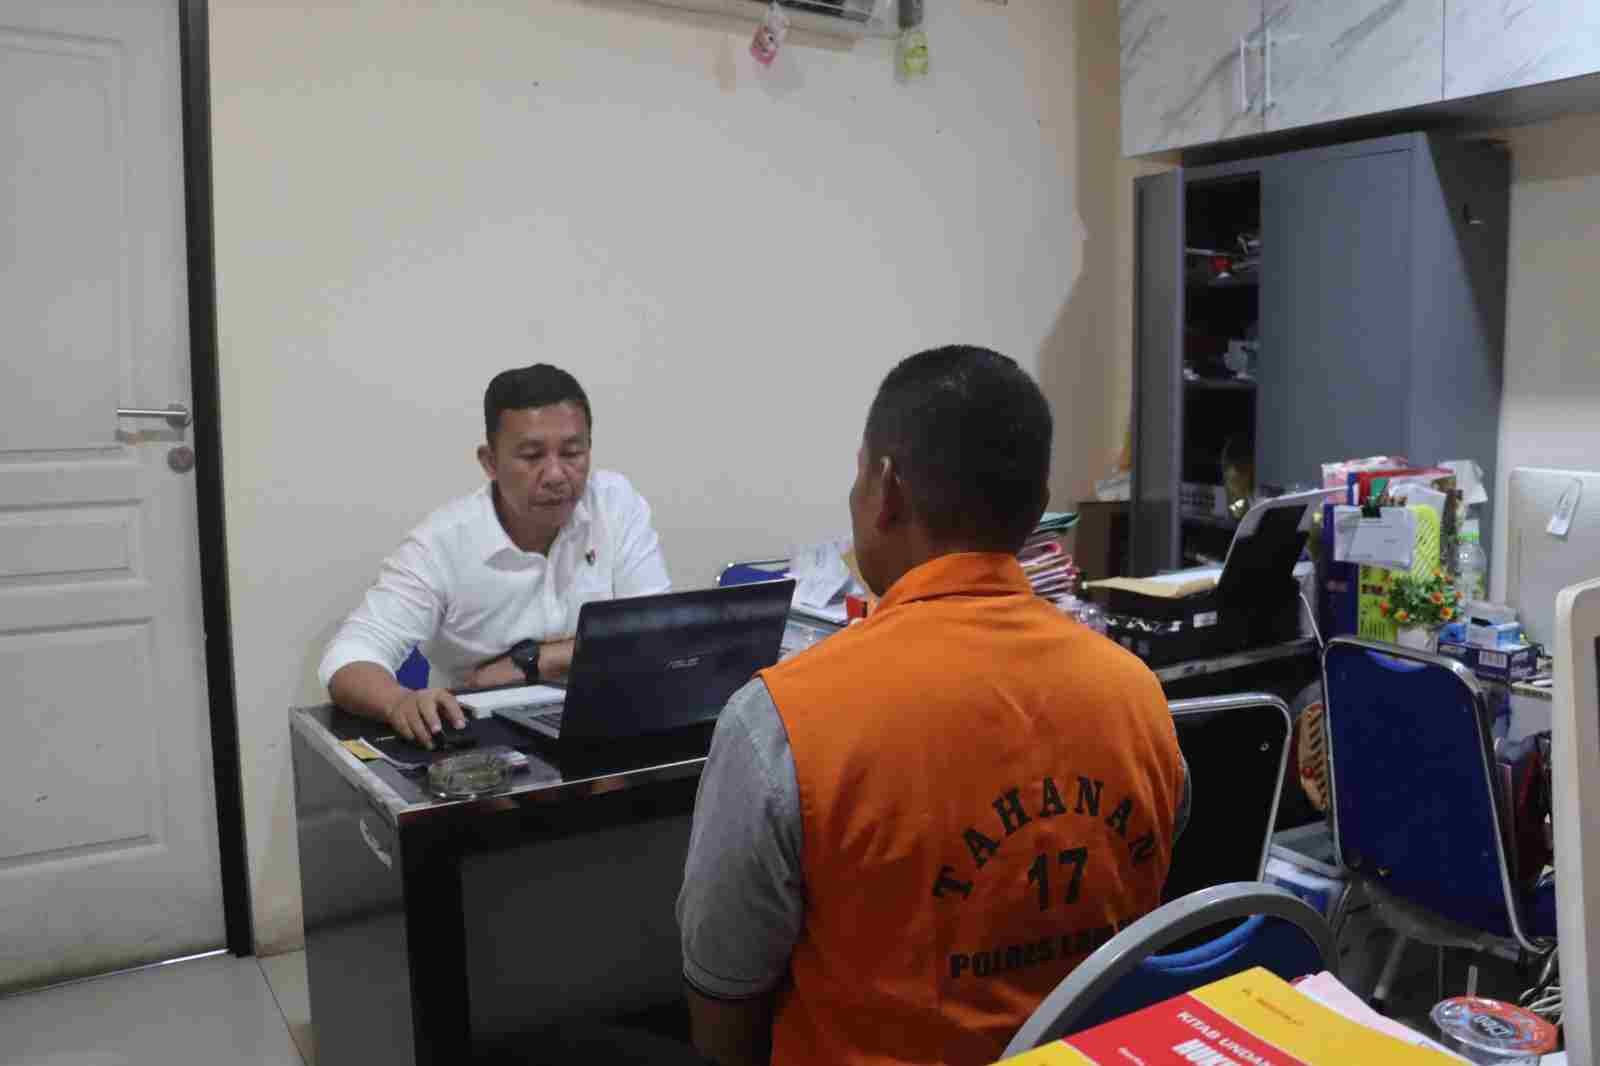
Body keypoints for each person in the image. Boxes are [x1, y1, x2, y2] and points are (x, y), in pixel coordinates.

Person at [676, 346, 1189, 1066]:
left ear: (886, 489)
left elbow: (723, 993)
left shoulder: (783, 720)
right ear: (1036, 506)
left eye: (859, 473)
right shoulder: (1138, 694)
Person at [318, 364, 670, 748]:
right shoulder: (442, 544)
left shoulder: (614, 504)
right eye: (532, 456)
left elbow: (654, 633)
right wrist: (398, 701)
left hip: (608, 725)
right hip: (480, 743)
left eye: (573, 452)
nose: (556, 474)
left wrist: (534, 661)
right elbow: (348, 657)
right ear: (489, 462)